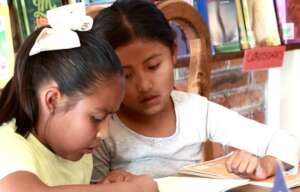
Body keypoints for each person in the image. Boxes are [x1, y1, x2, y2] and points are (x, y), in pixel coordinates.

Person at [91, 0, 299, 183]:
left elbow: (288, 144)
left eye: (153, 66)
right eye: (126, 76)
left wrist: (267, 164)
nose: (144, 85)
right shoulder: (102, 130)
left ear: (173, 53)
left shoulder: (195, 111)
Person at [0, 3, 158, 192]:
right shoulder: (8, 142)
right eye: (97, 118)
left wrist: (101, 187)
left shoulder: (79, 154)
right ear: (52, 100)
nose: (105, 133)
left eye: (111, 117)